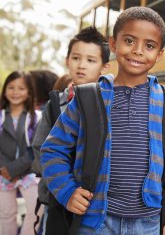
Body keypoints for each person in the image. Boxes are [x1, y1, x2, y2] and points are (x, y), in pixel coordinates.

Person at [41, 6, 165, 235]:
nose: (138, 51)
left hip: (147, 223)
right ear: (113, 44)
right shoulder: (88, 98)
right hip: (95, 221)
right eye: (129, 40)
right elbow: (52, 150)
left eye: (149, 45)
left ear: (159, 54)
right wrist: (68, 192)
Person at [32, 26, 110, 234]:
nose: (81, 65)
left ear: (104, 67)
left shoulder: (108, 104)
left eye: (91, 60)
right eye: (76, 58)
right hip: (57, 199)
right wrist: (64, 185)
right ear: (67, 60)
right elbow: (40, 149)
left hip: (94, 201)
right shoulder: (55, 104)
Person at [0, 70, 43, 235]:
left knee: (37, 208)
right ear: (4, 90)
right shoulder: (1, 117)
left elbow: (36, 148)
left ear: (29, 92)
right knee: (6, 214)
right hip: (2, 173)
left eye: (21, 88)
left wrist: (14, 169)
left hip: (28, 172)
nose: (15, 92)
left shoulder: (37, 118)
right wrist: (5, 169)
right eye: (11, 87)